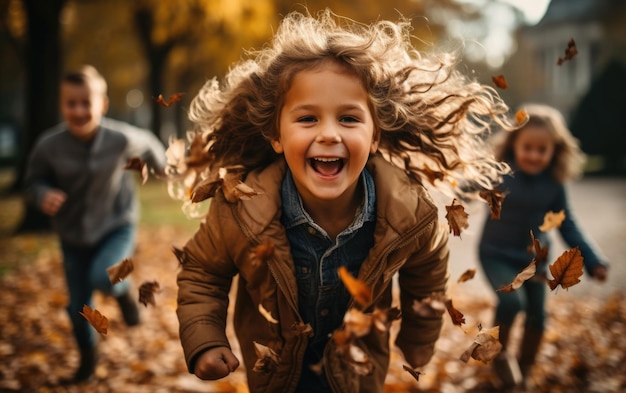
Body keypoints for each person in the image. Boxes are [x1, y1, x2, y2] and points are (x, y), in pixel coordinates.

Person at [169, 9, 516, 393]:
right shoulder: (242, 211)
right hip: (276, 379)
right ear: (276, 136)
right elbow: (202, 273)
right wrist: (206, 339)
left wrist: (418, 340)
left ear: (376, 135)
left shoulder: (410, 214)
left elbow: (427, 278)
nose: (330, 134)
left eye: (349, 119)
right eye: (307, 119)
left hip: (357, 375)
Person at [23, 65, 167, 383]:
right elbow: (31, 182)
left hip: (117, 225)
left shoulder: (119, 138)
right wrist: (42, 195)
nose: (78, 110)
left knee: (106, 274)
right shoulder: (49, 146)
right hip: (72, 237)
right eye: (71, 103)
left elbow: (149, 144)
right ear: (61, 106)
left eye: (86, 102)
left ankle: (125, 294)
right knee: (79, 309)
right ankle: (87, 361)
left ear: (101, 105)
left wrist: (163, 167)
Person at [478, 103, 609, 389]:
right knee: (512, 301)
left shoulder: (554, 184)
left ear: (554, 151)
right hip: (496, 254)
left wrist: (593, 259)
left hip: (532, 260)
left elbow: (567, 223)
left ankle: (524, 370)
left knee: (538, 316)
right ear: (514, 144)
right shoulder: (500, 173)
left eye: (542, 150)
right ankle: (498, 356)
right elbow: (470, 184)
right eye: (528, 147)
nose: (534, 155)